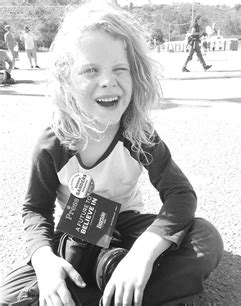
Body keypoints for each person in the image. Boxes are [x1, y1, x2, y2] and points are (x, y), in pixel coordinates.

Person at [0, 4, 223, 305]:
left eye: (120, 69)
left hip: (129, 225)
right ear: (66, 80)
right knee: (11, 294)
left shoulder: (138, 134)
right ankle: (118, 291)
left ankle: (109, 287)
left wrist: (143, 253)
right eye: (91, 70)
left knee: (205, 238)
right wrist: (44, 262)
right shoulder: (53, 142)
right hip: (78, 232)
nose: (108, 81)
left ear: (136, 75)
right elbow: (35, 210)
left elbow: (180, 194)